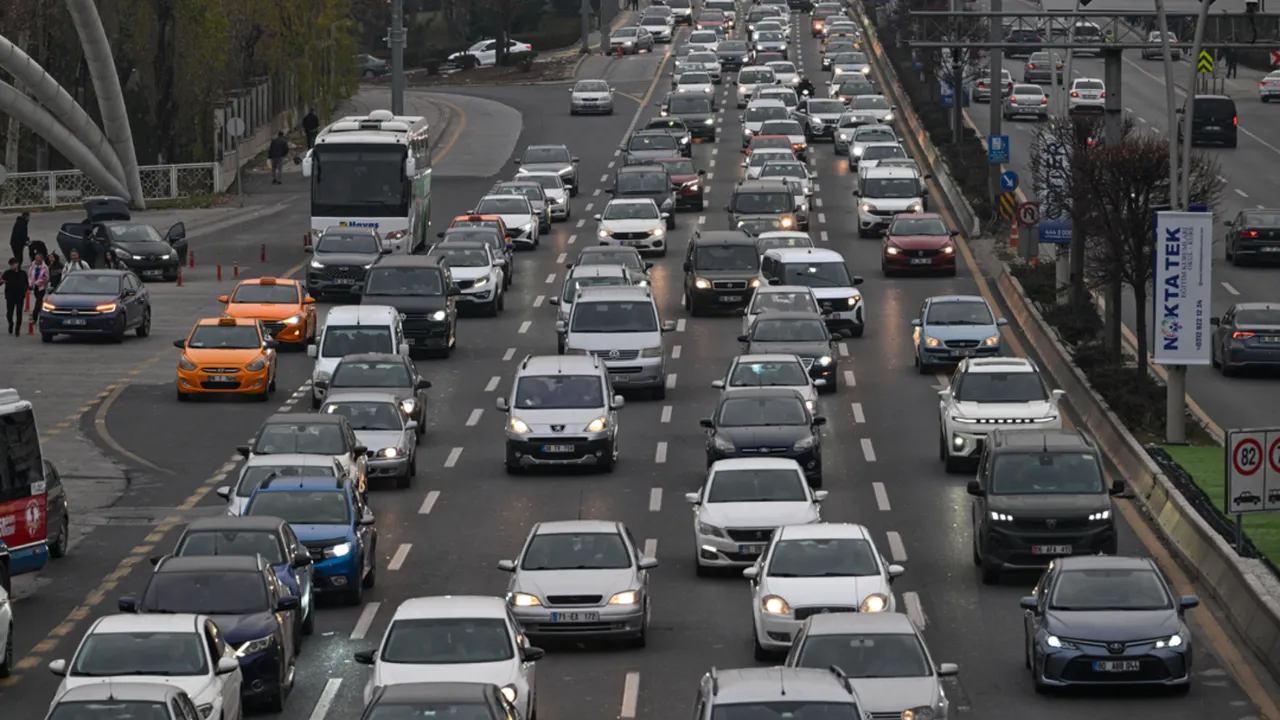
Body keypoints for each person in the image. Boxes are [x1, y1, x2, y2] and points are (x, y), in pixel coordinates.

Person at [2, 256, 28, 336]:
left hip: (20, 296)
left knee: (19, 313)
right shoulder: (7, 273)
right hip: (10, 296)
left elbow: (26, 283)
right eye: (11, 265)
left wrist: (25, 290)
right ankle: (11, 323)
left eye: (14, 264)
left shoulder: (23, 273)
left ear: (17, 264)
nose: (12, 266)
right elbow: (1, 281)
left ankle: (17, 329)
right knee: (9, 313)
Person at [27, 252, 49, 325]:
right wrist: (31, 284)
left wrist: (37, 282)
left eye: (39, 259)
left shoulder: (45, 267)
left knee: (38, 301)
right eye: (36, 259)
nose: (37, 261)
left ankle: (34, 317)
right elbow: (30, 276)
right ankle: (43, 313)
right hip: (34, 287)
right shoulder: (32, 266)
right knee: (39, 302)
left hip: (41, 287)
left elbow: (46, 278)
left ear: (42, 259)